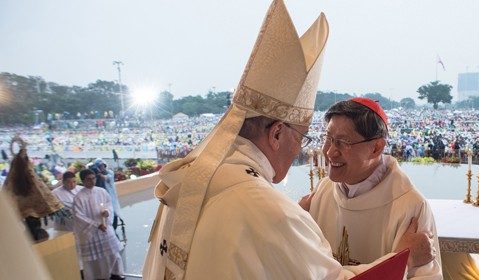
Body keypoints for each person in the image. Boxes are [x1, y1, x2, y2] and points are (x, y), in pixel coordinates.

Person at [143, 1, 435, 279]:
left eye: (342, 141)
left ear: (376, 146)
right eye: (305, 137)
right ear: (277, 133)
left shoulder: (193, 180)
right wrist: (403, 258)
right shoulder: (274, 208)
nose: (322, 150)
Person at [302, 98, 442, 278]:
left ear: (376, 148)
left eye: (343, 142)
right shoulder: (323, 190)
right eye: (328, 138)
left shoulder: (410, 206)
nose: (330, 152)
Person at [73, 169, 125, 280]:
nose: (92, 181)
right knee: (96, 259)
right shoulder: (79, 198)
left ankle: (116, 273)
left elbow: (109, 204)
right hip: (91, 233)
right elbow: (79, 216)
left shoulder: (101, 191)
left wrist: (107, 212)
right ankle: (99, 277)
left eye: (93, 178)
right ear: (82, 181)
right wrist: (96, 225)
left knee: (113, 253)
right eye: (89, 179)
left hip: (105, 228)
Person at [94, 158, 124, 231]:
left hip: (111, 197)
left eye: (102, 166)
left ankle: (114, 228)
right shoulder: (95, 176)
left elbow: (107, 178)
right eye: (99, 167)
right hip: (101, 199)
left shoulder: (109, 173)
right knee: (104, 213)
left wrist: (99, 174)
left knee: (114, 212)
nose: (101, 168)